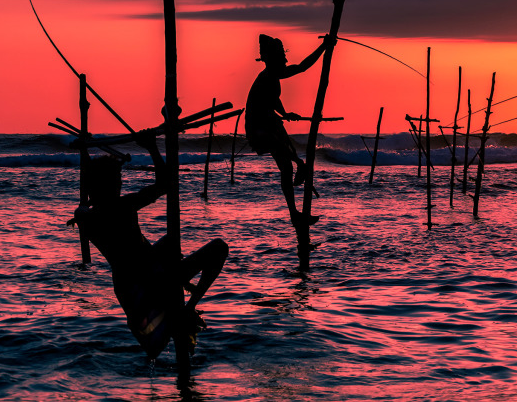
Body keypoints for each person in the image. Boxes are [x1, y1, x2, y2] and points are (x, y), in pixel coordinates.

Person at [73, 135, 228, 359]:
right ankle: (188, 308)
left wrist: (83, 208)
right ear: (106, 184)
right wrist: (153, 148)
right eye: (117, 179)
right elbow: (165, 184)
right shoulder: (123, 206)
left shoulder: (89, 220)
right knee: (219, 248)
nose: (121, 183)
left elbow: (81, 210)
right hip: (153, 283)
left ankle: (182, 308)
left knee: (168, 244)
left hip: (130, 291)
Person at [244, 33, 333, 227]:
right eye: (281, 57)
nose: (285, 60)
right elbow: (302, 67)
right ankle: (301, 168)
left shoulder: (271, 78)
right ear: (274, 59)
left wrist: (285, 114)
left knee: (286, 167)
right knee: (290, 160)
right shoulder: (269, 75)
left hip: (270, 122)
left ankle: (294, 214)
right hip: (260, 127)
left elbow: (273, 100)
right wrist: (324, 48)